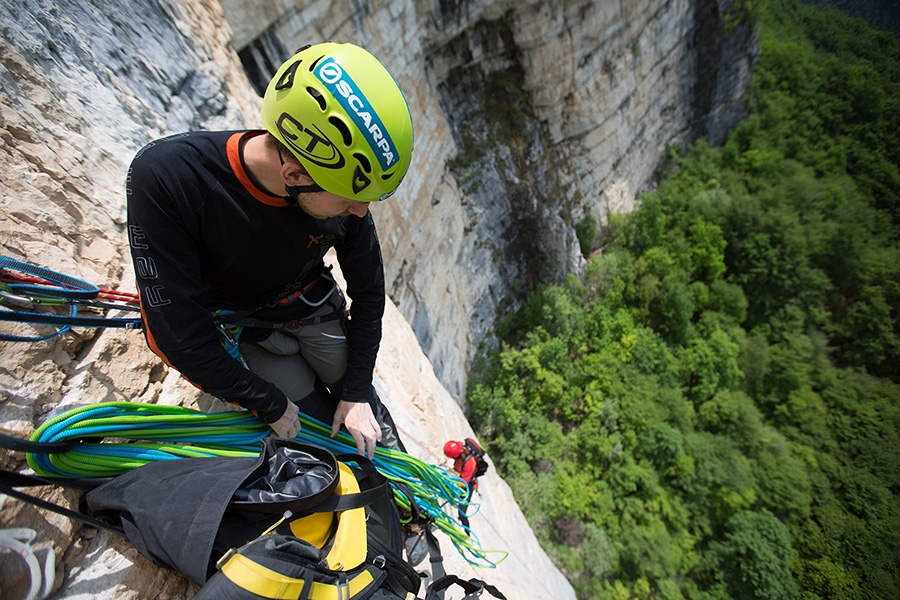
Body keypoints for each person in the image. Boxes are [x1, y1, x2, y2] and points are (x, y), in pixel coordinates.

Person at [126, 42, 414, 459]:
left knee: (371, 426)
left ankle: (407, 495)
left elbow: (369, 293)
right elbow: (177, 336)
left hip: (311, 308)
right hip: (250, 329)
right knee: (319, 433)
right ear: (294, 173)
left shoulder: (335, 181)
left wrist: (355, 393)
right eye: (351, 198)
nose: (360, 210)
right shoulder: (171, 178)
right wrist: (267, 402)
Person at [443, 439, 481, 530]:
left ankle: (467, 531)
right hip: (462, 479)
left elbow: (463, 483)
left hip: (468, 485)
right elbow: (456, 470)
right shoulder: (460, 451)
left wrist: (450, 483)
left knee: (462, 513)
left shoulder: (470, 463)